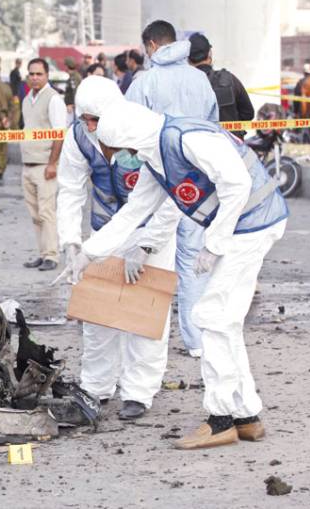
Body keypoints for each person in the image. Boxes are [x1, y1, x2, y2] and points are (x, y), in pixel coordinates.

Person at [66, 99, 287, 449]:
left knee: (211, 317)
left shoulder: (184, 139)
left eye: (123, 149)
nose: (124, 157)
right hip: (242, 227)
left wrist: (214, 243)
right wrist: (88, 252)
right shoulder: (155, 157)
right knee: (224, 321)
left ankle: (220, 421)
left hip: (253, 224)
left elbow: (236, 183)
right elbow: (133, 214)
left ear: (132, 138)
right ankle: (247, 417)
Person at [58, 76, 180, 420]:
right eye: (86, 119)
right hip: (104, 234)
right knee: (98, 317)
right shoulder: (79, 137)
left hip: (150, 231)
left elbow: (172, 196)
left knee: (145, 315)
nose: (91, 127)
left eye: (96, 120)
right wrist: (70, 241)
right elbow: (69, 188)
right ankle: (96, 387)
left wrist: (148, 244)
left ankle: (139, 393)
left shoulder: (146, 131)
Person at [125, 19, 219, 358]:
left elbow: (129, 135)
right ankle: (196, 341)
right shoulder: (200, 80)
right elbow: (214, 128)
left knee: (151, 262)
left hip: (159, 181)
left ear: (150, 45)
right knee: (193, 260)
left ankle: (151, 342)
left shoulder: (144, 82)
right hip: (197, 183)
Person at [20, 58, 67, 272]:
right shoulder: (27, 99)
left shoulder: (53, 99)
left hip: (44, 165)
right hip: (27, 164)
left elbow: (59, 135)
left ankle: (52, 255)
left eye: (39, 74)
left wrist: (53, 164)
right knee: (35, 214)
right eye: (31, 74)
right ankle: (42, 253)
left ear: (47, 75)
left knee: (47, 212)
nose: (35, 77)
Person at [188, 33, 254, 139]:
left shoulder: (184, 85)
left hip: (197, 150)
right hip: (231, 147)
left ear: (188, 59)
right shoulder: (229, 79)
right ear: (210, 54)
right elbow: (248, 113)